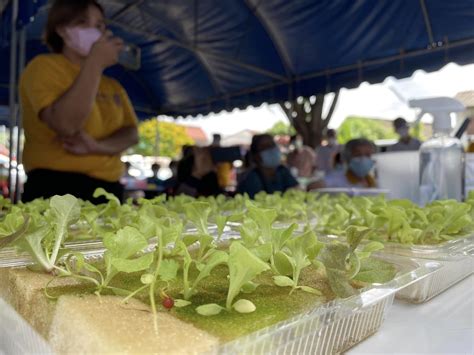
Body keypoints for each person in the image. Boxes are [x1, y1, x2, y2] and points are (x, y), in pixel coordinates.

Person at [20, 0, 138, 203]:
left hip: (109, 189)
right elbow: (65, 124)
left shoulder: (113, 85)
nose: (95, 30)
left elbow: (131, 133)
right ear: (62, 30)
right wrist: (95, 62)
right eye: (83, 23)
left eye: (100, 25)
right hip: (55, 187)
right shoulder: (43, 67)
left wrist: (97, 146)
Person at [237, 134, 298, 198]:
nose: (271, 150)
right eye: (264, 147)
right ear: (256, 156)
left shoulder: (282, 170)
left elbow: (296, 190)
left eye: (272, 145)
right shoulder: (251, 179)